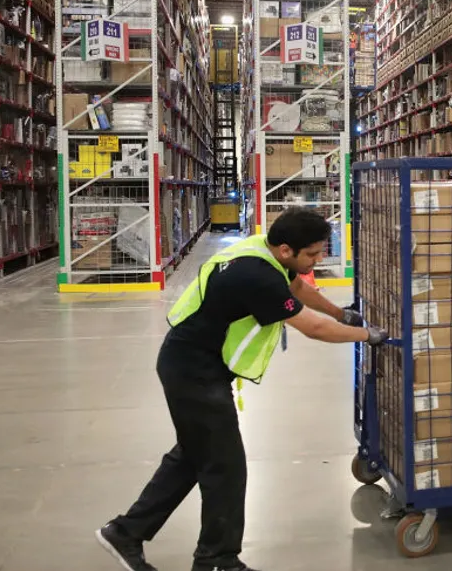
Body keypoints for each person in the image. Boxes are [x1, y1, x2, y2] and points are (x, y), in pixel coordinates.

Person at [95, 208, 388, 571]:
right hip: (194, 373)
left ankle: (125, 532)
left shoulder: (260, 250)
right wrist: (368, 335)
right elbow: (312, 328)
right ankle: (217, 560)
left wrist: (340, 313)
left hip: (196, 365)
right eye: (311, 254)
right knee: (226, 467)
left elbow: (296, 286)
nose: (317, 260)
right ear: (285, 250)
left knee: (194, 456)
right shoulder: (256, 277)